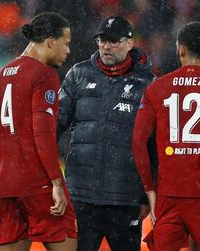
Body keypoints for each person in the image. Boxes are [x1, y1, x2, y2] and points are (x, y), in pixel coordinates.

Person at [132, 22, 200, 251]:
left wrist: (150, 190)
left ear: (180, 49)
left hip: (168, 193)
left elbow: (138, 142)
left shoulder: (156, 88)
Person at [57, 16, 156, 251]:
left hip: (125, 198)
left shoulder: (149, 83)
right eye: (102, 40)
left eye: (113, 41)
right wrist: (52, 180)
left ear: (129, 43)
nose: (105, 46)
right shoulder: (78, 74)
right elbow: (53, 127)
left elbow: (154, 145)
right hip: (81, 196)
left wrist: (146, 193)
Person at [0, 12, 77, 251]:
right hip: (39, 182)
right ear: (50, 41)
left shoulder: (1, 75)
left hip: (7, 184)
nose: (68, 51)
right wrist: (56, 182)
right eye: (66, 43)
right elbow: (42, 133)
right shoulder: (44, 74)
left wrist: (6, 174)